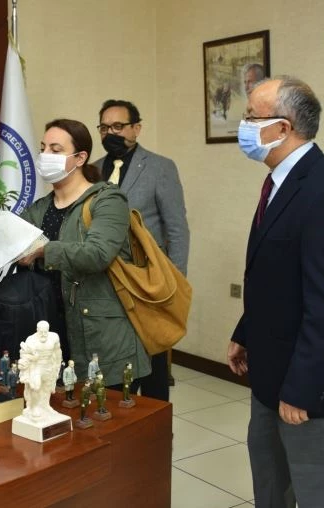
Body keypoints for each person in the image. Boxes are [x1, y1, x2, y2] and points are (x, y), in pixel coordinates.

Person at [230, 76, 324, 508]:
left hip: (312, 387)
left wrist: (302, 389)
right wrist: (245, 332)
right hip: (270, 371)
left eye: (251, 117)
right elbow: (274, 276)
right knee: (271, 487)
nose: (243, 125)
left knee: (319, 494)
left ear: (283, 127)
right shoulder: (279, 181)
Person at [19, 118, 150, 390]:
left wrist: (44, 250)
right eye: (43, 148)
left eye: (56, 150)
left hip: (102, 338)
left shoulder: (108, 200)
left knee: (105, 412)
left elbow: (97, 254)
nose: (45, 156)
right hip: (52, 335)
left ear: (80, 158)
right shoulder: (39, 209)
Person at [94, 100, 189, 401]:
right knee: (113, 373)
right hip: (104, 284)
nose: (111, 133)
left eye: (118, 126)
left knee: (152, 370)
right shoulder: (92, 170)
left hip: (148, 284)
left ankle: (154, 424)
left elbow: (177, 229)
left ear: (136, 128)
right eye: (104, 127)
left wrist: (174, 283)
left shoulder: (160, 167)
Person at [17, 320, 63, 422]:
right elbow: (23, 354)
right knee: (35, 387)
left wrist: (57, 365)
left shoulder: (54, 337)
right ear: (37, 330)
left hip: (49, 366)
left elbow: (57, 351)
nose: (43, 334)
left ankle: (45, 406)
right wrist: (33, 358)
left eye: (45, 332)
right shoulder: (31, 340)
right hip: (36, 366)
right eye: (41, 332)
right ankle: (34, 407)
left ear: (48, 330)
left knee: (47, 387)